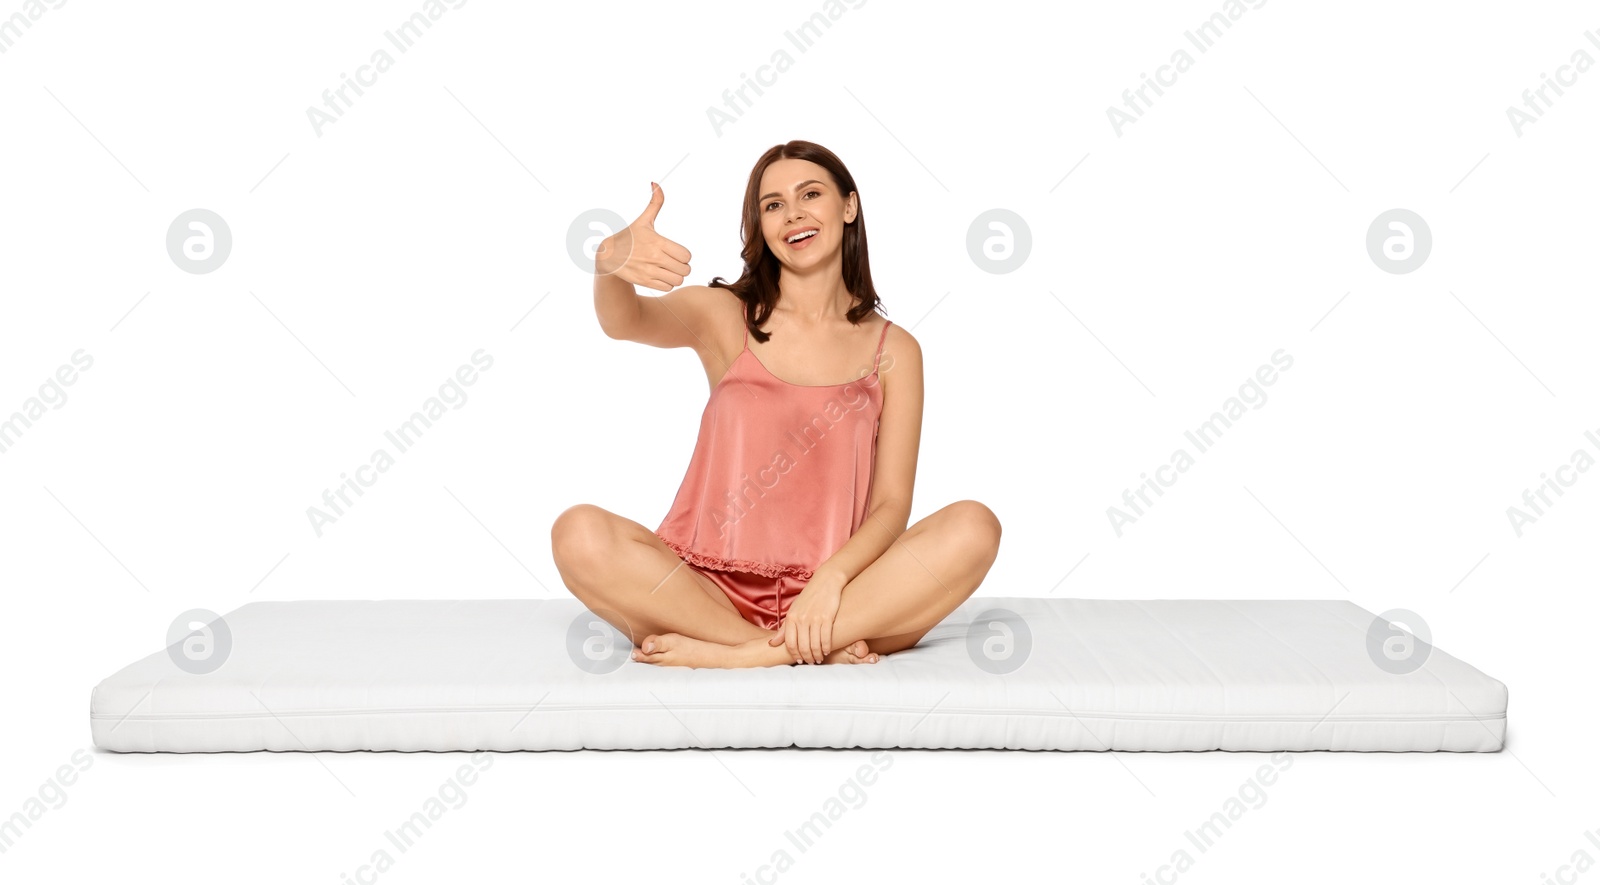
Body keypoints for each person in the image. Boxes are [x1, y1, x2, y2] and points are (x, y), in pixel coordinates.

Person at [552, 140, 1001, 668]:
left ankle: (744, 656)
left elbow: (890, 506)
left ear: (849, 207)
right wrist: (609, 261)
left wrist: (830, 581)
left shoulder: (895, 350)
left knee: (975, 527)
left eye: (810, 194)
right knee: (577, 533)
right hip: (703, 594)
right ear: (761, 227)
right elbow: (623, 321)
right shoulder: (724, 315)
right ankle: (778, 649)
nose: (793, 214)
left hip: (838, 600)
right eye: (772, 205)